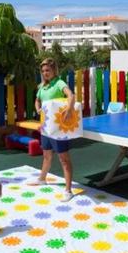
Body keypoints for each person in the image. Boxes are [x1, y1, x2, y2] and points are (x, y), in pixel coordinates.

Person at [28, 58, 76, 201]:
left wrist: (69, 108)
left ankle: (68, 190)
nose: (45, 73)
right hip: (45, 127)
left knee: (64, 160)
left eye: (48, 70)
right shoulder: (42, 87)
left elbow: (71, 95)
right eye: (43, 71)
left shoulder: (59, 83)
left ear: (54, 70)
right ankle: (42, 178)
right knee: (47, 155)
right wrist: (37, 109)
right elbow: (37, 100)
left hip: (58, 128)